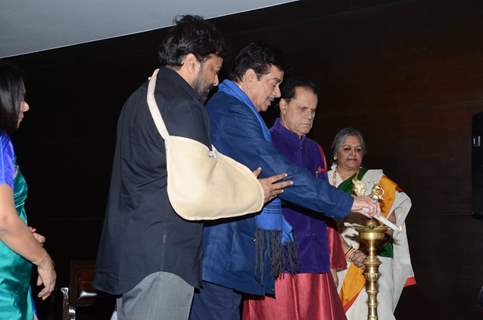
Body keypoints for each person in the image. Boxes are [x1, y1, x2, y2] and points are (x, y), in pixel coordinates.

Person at [93, 16, 289, 320]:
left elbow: (191, 166)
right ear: (190, 62)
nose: (215, 81)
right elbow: (194, 195)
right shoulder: (183, 104)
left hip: (134, 256)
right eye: (213, 70)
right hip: (163, 258)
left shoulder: (140, 98)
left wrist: (238, 179)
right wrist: (254, 193)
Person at [189, 43, 379, 320]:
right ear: (251, 77)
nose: (277, 91)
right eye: (274, 83)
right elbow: (280, 171)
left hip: (246, 253)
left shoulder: (306, 145)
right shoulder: (232, 113)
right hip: (228, 251)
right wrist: (347, 201)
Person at [242, 78, 347, 320]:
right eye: (303, 109)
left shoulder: (316, 150)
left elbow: (326, 206)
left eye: (313, 111)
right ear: (283, 105)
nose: (309, 117)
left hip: (315, 260)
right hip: (278, 262)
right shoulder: (264, 143)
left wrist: (331, 259)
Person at [327, 127, 416, 320]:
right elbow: (318, 226)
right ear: (335, 154)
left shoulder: (376, 181)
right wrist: (349, 252)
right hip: (335, 260)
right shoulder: (322, 183)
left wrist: (378, 228)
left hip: (373, 259)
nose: (353, 153)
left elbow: (396, 214)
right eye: (347, 148)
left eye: (358, 149)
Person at [0, 62, 56, 320]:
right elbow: (3, 220)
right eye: (20, 98)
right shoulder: (1, 144)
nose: (25, 106)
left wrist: (23, 233)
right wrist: (44, 261)